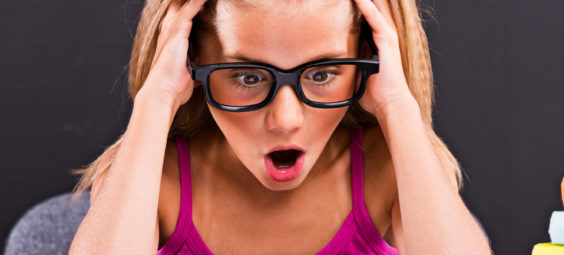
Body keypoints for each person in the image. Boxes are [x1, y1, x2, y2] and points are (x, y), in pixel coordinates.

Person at [68, 0, 491, 253]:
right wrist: (155, 99)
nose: (286, 120)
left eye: (323, 73)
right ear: (189, 61)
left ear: (369, 57)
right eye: (248, 77)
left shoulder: (393, 169)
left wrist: (398, 104)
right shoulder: (154, 178)